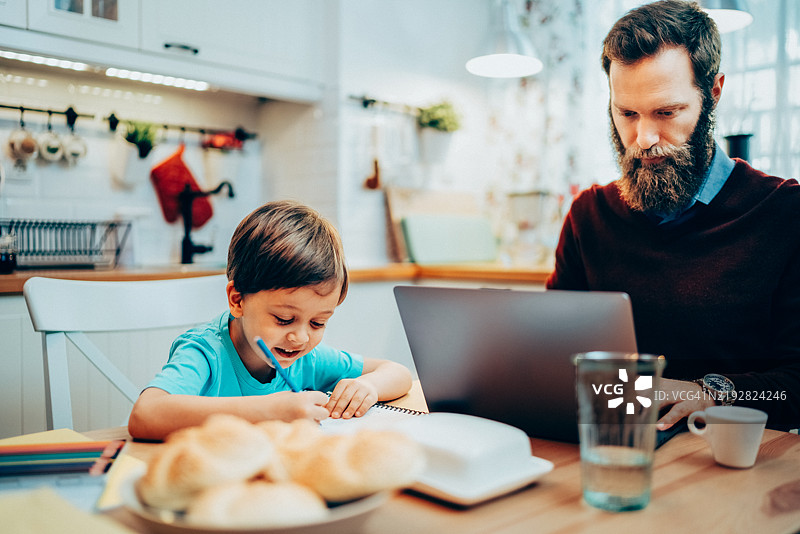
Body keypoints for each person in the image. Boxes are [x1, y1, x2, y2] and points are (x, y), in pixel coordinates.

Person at [547, 0, 800, 431]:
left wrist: (710, 393)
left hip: (727, 461)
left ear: (713, 92)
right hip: (609, 448)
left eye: (666, 112)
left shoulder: (784, 212)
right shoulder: (589, 215)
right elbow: (549, 353)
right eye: (626, 113)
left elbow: (794, 384)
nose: (643, 140)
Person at [128, 200, 412, 440]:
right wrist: (271, 410)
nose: (300, 337)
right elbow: (145, 415)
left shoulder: (305, 358)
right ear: (238, 300)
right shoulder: (205, 353)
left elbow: (397, 372)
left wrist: (368, 387)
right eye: (284, 319)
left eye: (318, 323)